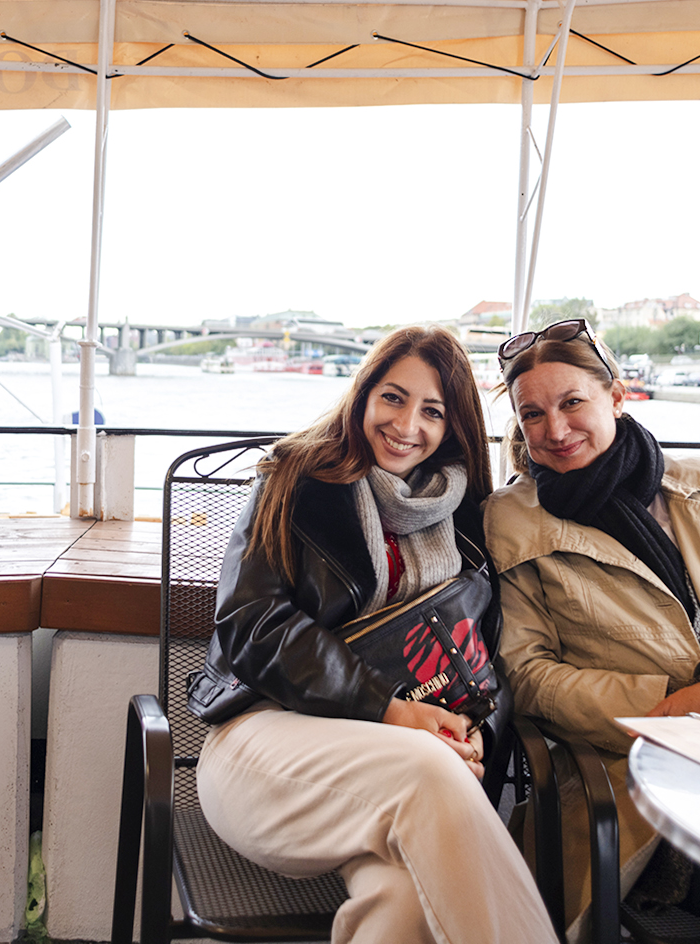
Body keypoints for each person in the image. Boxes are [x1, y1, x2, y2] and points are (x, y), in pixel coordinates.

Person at [189, 325, 557, 944]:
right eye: (393, 397)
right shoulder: (294, 480)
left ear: (453, 427)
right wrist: (388, 711)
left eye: (432, 411)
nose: (407, 423)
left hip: (405, 771)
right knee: (426, 769)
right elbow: (250, 625)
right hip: (262, 743)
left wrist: (474, 736)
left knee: (406, 899)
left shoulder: (466, 522)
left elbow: (485, 659)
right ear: (363, 396)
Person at [484, 320, 700, 941]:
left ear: (617, 396)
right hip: (638, 782)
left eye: (572, 402)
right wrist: (666, 711)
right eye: (533, 415)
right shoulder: (511, 521)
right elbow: (525, 675)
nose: (554, 431)